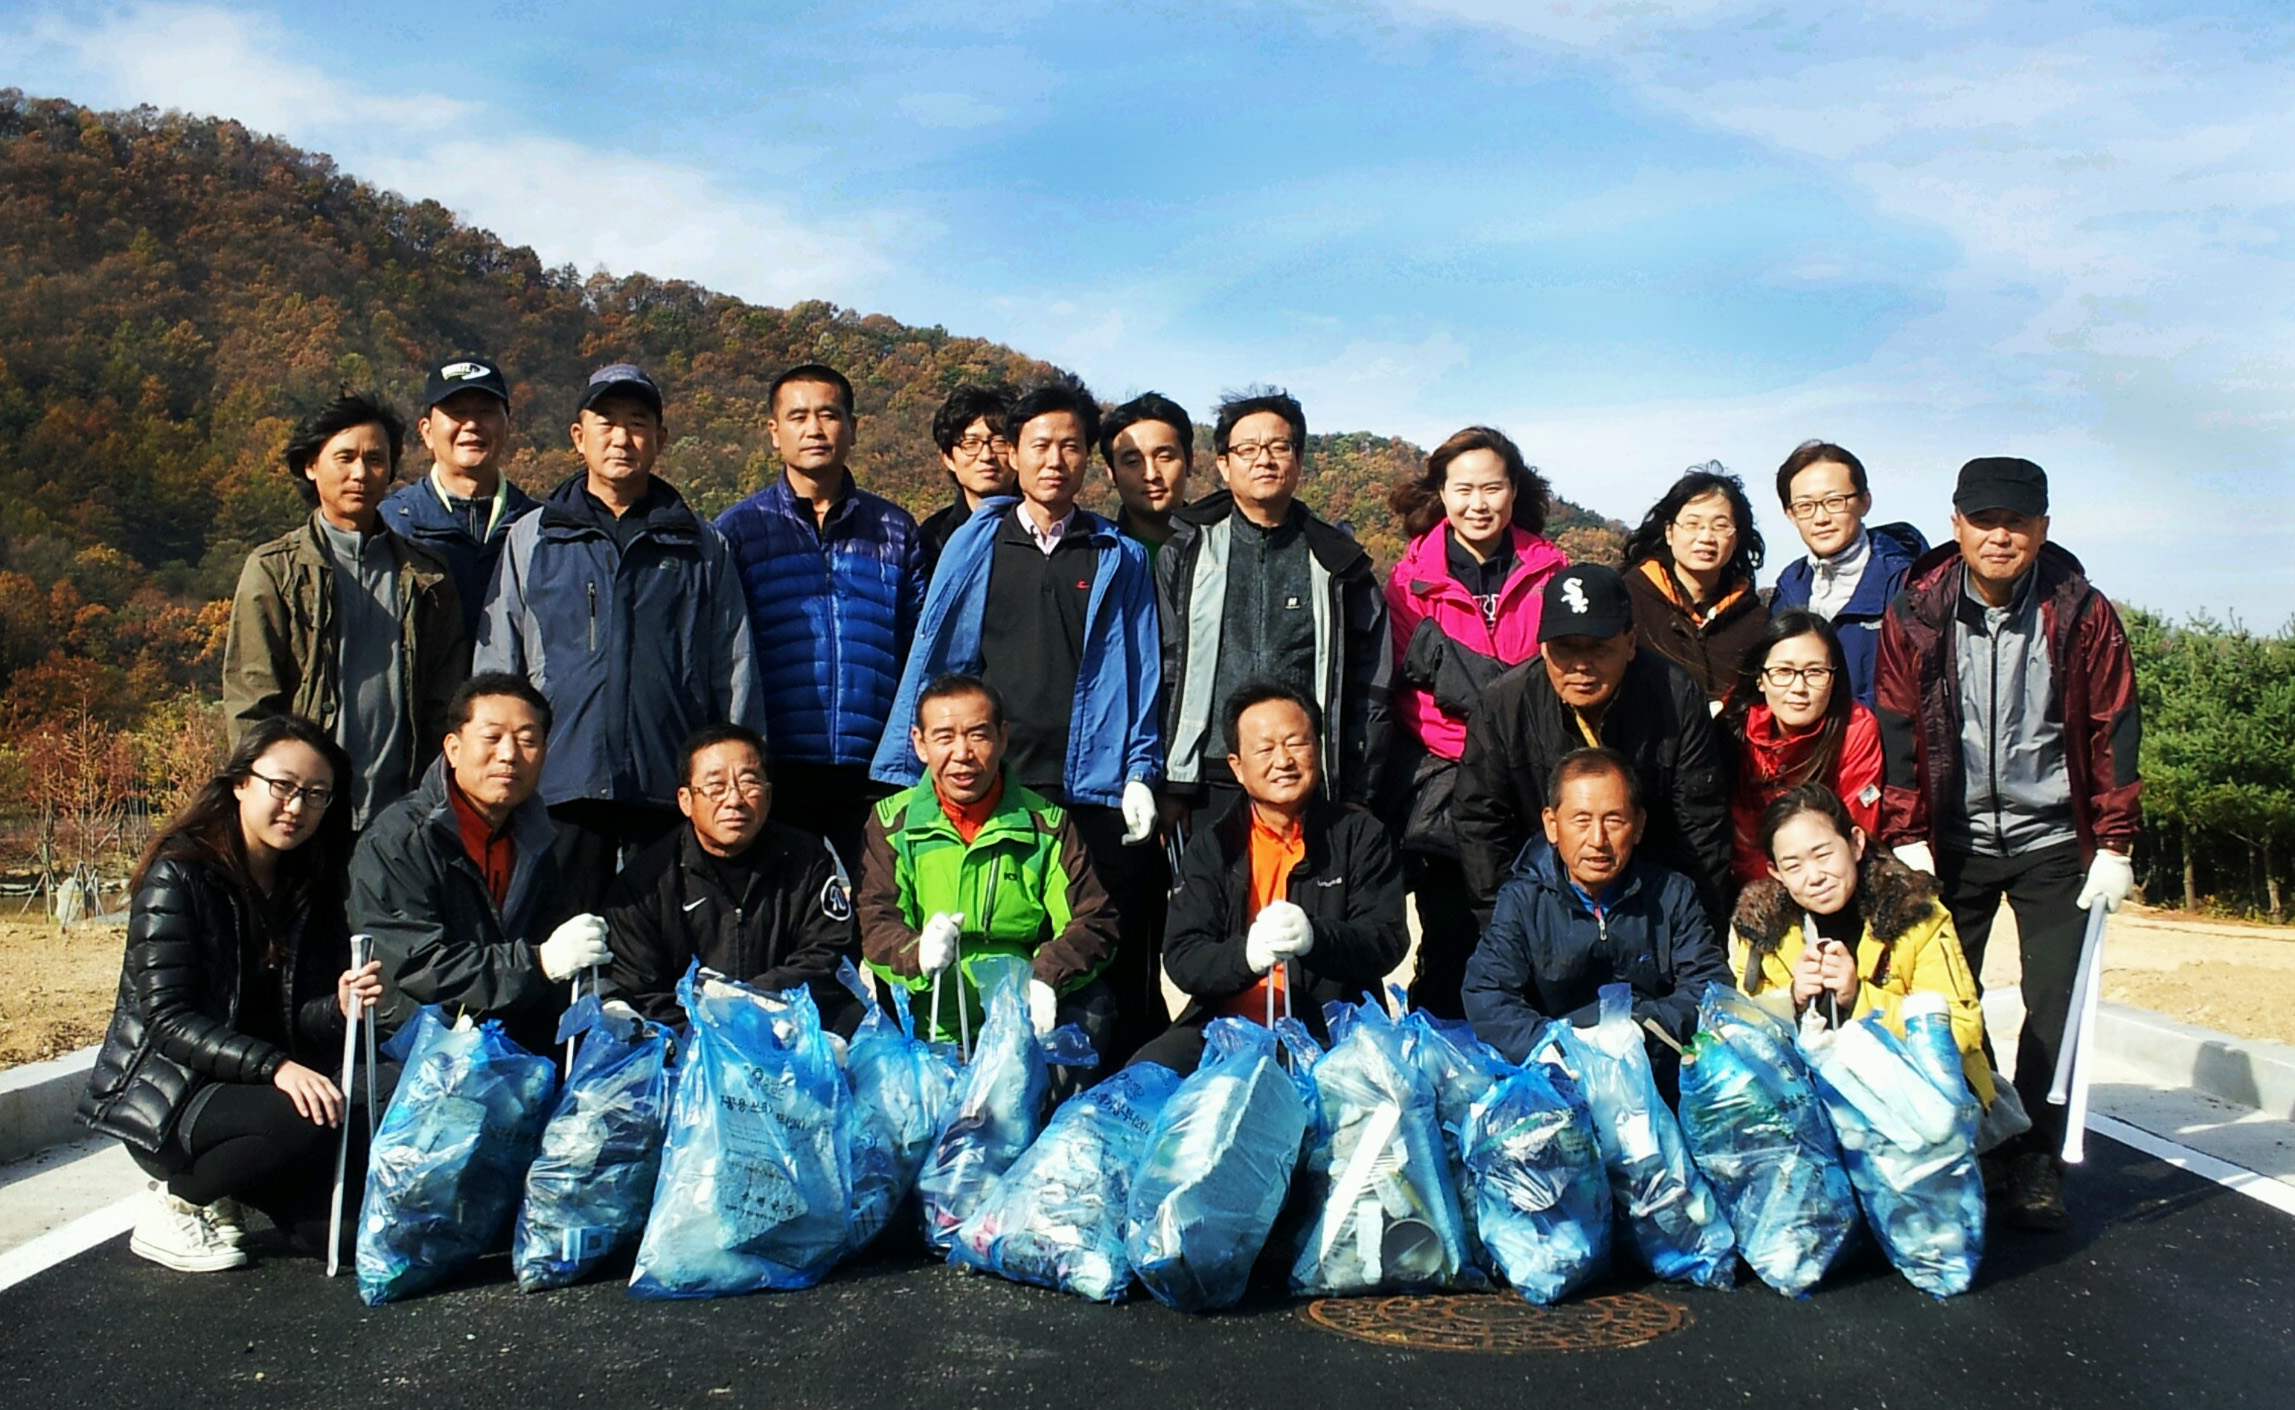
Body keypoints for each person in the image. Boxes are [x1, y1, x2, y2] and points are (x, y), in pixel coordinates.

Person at [1875, 456, 2141, 1231]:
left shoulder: (2083, 613)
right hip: (1950, 841)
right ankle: (1987, 1134)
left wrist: (2114, 843)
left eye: (2017, 523)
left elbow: (2111, 728)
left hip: (2054, 836)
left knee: (2055, 1003)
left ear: (2043, 529)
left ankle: (2036, 1157)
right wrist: (1906, 834)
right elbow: (1896, 725)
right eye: (1983, 521)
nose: (2000, 537)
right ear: (1955, 524)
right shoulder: (1914, 612)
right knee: (1944, 1001)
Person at [871, 380, 1163, 1055]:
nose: (1054, 459)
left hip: (1081, 786)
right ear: (1014, 453)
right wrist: (912, 759)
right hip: (992, 780)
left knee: (1082, 956)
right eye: (1039, 445)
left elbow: (1142, 671)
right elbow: (935, 656)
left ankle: (1076, 1098)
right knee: (980, 934)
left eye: (1069, 446)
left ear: (1087, 458)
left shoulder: (1114, 554)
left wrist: (1140, 770)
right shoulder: (977, 544)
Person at [80, 715, 378, 1271]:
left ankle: (236, 1189)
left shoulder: (306, 883)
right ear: (241, 781)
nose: (296, 807)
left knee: (346, 1238)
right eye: (282, 786)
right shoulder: (180, 874)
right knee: (299, 1121)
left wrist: (338, 1007)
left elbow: (295, 1017)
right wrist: (277, 1068)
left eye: (315, 795)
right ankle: (179, 1202)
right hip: (173, 1093)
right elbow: (168, 1020)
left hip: (256, 1088)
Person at [475, 363, 763, 913]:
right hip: (559, 783)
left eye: (637, 422)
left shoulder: (701, 544)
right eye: (606, 422)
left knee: (663, 948)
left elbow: (734, 665)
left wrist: (730, 772)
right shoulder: (533, 538)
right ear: (579, 437)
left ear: (660, 439)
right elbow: (499, 667)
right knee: (556, 946)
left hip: (668, 783)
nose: (621, 437)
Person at [1381, 425, 1569, 1018]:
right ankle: (1440, 1053)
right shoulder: (1411, 582)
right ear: (1442, 493)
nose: (1478, 503)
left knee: (1538, 926)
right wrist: (1511, 688)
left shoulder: (1551, 571)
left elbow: (1558, 672)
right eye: (1463, 489)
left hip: (1536, 774)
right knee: (1451, 935)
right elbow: (1421, 684)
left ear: (1515, 490)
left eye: (1492, 487)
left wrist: (1468, 678)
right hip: (1445, 778)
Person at [224, 392, 468, 832]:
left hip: (403, 811)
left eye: (375, 459)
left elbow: (444, 700)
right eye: (345, 457)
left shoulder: (425, 575)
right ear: (311, 466)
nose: (361, 473)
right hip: (303, 814)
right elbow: (251, 700)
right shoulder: (276, 571)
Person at [716, 363, 926, 874]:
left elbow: (920, 646)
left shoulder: (894, 530)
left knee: (881, 906)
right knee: (780, 906)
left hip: (874, 762)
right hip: (776, 759)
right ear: (774, 432)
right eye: (798, 416)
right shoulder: (740, 531)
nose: (814, 429)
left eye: (829, 415)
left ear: (852, 427)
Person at [1135, 682, 1408, 1075]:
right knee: (1141, 1082)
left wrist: (1316, 938)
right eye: (1265, 749)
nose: (1283, 760)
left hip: (1334, 1033)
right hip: (1221, 1030)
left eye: (1296, 743)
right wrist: (1245, 956)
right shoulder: (1212, 846)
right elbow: (1183, 957)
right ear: (1237, 767)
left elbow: (1386, 940)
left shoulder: (1361, 836)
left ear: (1317, 748)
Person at [1157, 387, 1391, 827]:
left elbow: (1370, 687)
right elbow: (1164, 669)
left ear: (1299, 461)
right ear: (1224, 464)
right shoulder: (1187, 552)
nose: (1263, 459)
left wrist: (1360, 789)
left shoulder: (1337, 563)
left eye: (1279, 447)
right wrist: (1170, 783)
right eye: (1247, 449)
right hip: (1209, 777)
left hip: (1306, 778)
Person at [858, 674, 1120, 1063]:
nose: (962, 753)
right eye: (944, 737)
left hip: (1023, 1024)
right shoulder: (890, 823)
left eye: (978, 735)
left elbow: (1095, 921)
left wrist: (1045, 976)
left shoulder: (1046, 824)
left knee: (1096, 1002)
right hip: (926, 1026)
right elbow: (875, 925)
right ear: (919, 744)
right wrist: (917, 954)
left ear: (1002, 737)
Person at [1454, 564, 1731, 927]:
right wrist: (1507, 927)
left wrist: (1696, 933)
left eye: (1599, 649)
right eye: (1564, 649)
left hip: (1652, 898)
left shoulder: (1675, 698)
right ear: (1542, 646)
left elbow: (1700, 829)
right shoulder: (1504, 705)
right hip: (1540, 899)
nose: (1580, 666)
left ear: (1630, 643)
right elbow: (1480, 825)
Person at [350, 672, 609, 1057]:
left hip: (512, 1047)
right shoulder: (399, 839)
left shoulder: (541, 839)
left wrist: (607, 1002)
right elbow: (415, 967)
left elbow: (562, 947)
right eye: (492, 738)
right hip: (415, 1049)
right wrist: (537, 963)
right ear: (453, 749)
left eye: (528, 741)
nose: (509, 755)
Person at [1462, 748, 1731, 1092]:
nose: (1598, 840)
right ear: (1552, 825)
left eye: (1614, 820)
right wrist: (1550, 1046)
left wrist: (1640, 1029)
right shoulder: (1524, 901)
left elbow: (1710, 985)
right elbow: (1487, 991)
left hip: (1659, 1073)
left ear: (1638, 826)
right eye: (1581, 820)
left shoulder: (1671, 895)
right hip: (1560, 1079)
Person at [1730, 783, 1997, 1107]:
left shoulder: (1914, 915)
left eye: (1823, 854)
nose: (1814, 876)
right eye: (1794, 865)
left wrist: (1859, 998)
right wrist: (1792, 1001)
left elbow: (1962, 1031)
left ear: (1855, 843)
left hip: (1917, 1104)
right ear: (1776, 872)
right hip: (1817, 1107)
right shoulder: (1762, 930)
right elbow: (1743, 1035)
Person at [601, 723, 861, 1036]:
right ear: (685, 800)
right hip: (691, 1047)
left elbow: (830, 955)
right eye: (715, 786)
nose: (734, 800)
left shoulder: (807, 859)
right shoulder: (645, 882)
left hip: (788, 1030)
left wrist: (748, 1005)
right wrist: (712, 1037)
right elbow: (640, 989)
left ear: (768, 794)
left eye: (749, 783)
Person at [1720, 609, 1882, 887]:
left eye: (1815, 672)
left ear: (1834, 678)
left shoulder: (1854, 727)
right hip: (1751, 883)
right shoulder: (1734, 726)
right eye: (1783, 671)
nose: (1799, 687)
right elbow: (1736, 829)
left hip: (1829, 882)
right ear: (1760, 678)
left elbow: (1858, 824)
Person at [381, 355, 539, 638]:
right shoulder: (392, 524)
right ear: (426, 432)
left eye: (485, 412)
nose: (471, 425)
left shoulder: (539, 526)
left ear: (508, 426)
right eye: (457, 412)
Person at [1767, 440, 1926, 705]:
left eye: (1834, 501)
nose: (1821, 518)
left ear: (1864, 501)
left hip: (1882, 743)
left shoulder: (1906, 581)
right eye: (1805, 506)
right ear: (1790, 515)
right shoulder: (1789, 587)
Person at [1621, 465, 1769, 704]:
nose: (1706, 537)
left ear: (1737, 538)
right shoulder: (1628, 602)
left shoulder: (1756, 621)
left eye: (1721, 526)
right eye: (1693, 524)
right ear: (1669, 532)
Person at [916, 385, 1015, 570]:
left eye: (999, 442)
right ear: (948, 459)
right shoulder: (933, 538)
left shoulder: (1042, 527)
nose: (986, 455)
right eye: (971, 444)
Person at [1099, 391, 1195, 563]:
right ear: (1111, 473)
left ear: (1189, 462)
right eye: (1133, 462)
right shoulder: (1097, 556)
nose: (1151, 475)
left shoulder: (1219, 551)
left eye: (1164, 458)